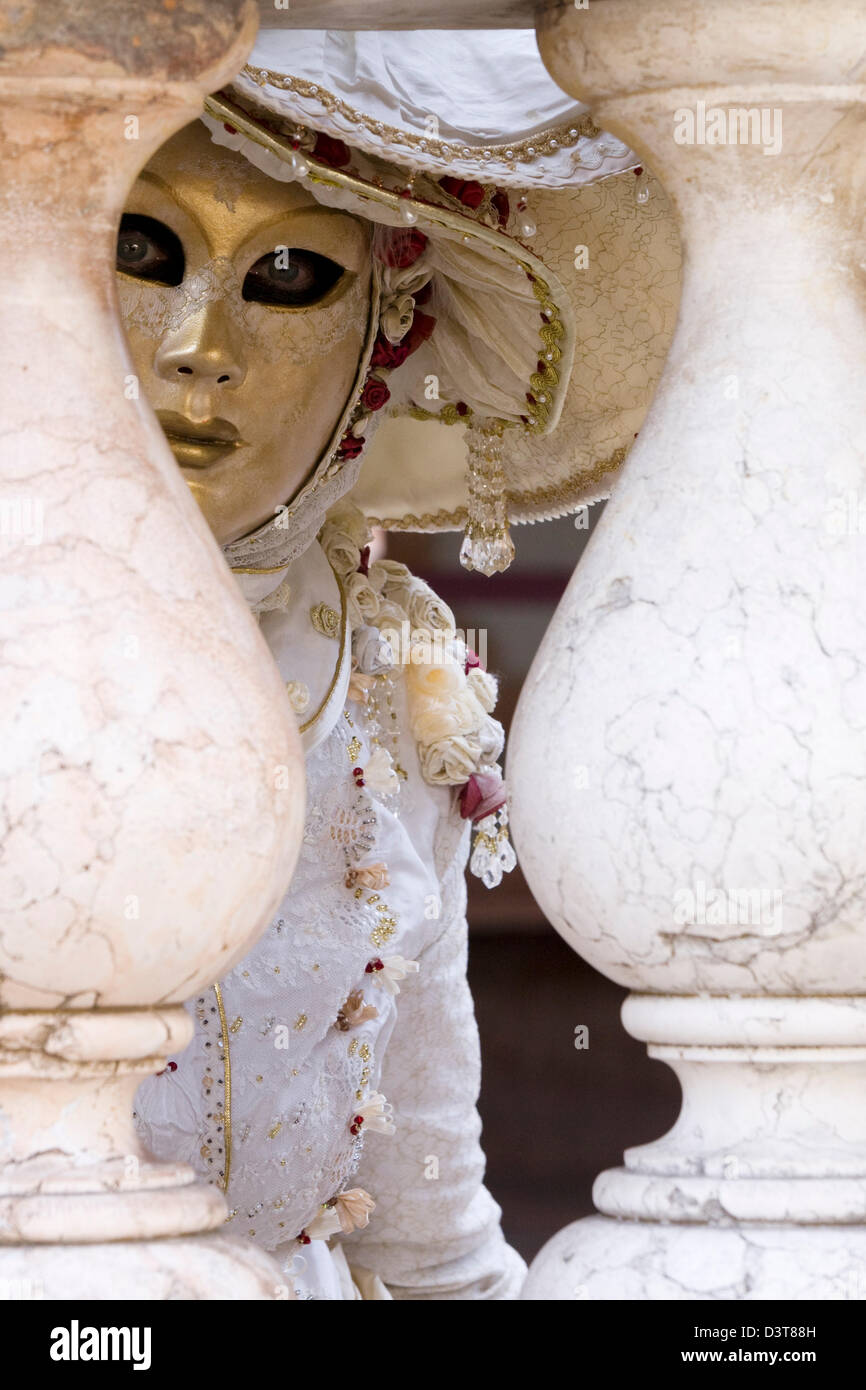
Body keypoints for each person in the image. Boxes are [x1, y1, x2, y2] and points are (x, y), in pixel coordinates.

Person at [126, 29, 680, 1299]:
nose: (200, 347)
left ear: (385, 335)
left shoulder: (383, 677)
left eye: (286, 274)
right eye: (146, 250)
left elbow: (424, 1216)